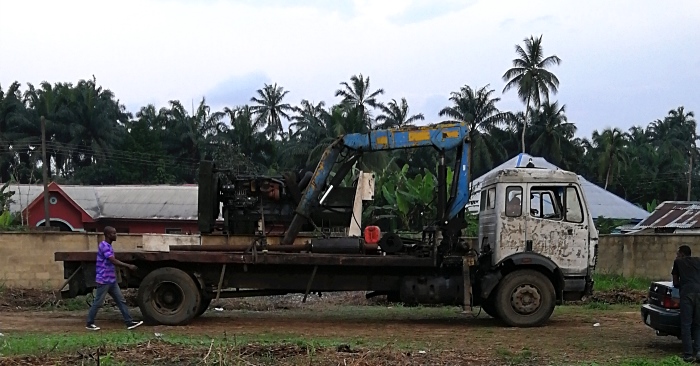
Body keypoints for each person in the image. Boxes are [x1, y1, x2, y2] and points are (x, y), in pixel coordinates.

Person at [86, 226, 143, 331]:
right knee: (98, 302)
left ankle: (129, 322)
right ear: (108, 235)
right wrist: (128, 266)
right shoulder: (104, 246)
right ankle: (89, 323)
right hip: (103, 279)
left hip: (111, 280)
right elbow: (113, 260)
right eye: (114, 233)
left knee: (121, 301)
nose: (116, 235)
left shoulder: (108, 246)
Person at [672, 245, 700, 362]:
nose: (677, 255)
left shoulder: (678, 262)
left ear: (682, 254)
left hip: (687, 294)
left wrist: (680, 286)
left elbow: (675, 282)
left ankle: (688, 355)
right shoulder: (698, 261)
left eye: (678, 253)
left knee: (686, 324)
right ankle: (699, 352)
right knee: (698, 324)